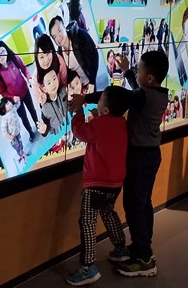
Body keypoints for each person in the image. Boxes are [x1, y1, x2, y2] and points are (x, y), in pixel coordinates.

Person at [72, 50, 169, 277]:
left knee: (136, 207)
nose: (136, 72)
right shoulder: (156, 93)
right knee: (142, 204)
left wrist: (84, 99)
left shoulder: (143, 96)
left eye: (139, 69)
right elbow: (134, 91)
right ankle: (141, 248)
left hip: (141, 158)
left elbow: (119, 96)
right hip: (149, 155)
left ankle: (144, 259)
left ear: (149, 78)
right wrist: (127, 72)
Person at [64, 86, 132, 286]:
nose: (98, 101)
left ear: (106, 110)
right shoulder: (122, 123)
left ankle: (87, 268)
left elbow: (80, 132)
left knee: (87, 222)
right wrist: (97, 117)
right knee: (108, 212)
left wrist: (78, 113)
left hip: (96, 185)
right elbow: (107, 134)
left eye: (100, 99)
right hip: (115, 183)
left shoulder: (99, 124)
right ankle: (121, 248)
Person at [0, 41, 38, 139]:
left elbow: (24, 68)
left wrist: (29, 78)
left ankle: (38, 125)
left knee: (32, 110)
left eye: (3, 51)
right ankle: (30, 133)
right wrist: (12, 97)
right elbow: (2, 92)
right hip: (16, 100)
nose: (2, 56)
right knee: (23, 117)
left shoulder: (14, 59)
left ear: (6, 50)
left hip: (25, 91)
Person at [49, 16, 98, 93]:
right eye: (55, 36)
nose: (58, 37)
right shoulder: (60, 54)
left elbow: (94, 56)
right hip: (77, 89)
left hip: (90, 82)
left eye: (59, 30)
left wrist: (92, 82)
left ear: (64, 27)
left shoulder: (80, 35)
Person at [31, 34, 68, 107]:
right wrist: (43, 99)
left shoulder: (59, 61)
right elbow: (40, 102)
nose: (46, 60)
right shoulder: (35, 79)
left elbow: (65, 83)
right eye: (41, 57)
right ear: (37, 59)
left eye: (48, 53)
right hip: (50, 106)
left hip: (63, 99)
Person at [36, 69, 67, 136]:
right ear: (44, 88)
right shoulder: (45, 107)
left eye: (54, 79)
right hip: (57, 134)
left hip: (69, 126)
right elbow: (45, 125)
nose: (53, 84)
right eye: (49, 83)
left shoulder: (64, 92)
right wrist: (44, 131)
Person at [0, 97, 26, 164]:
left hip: (17, 132)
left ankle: (22, 153)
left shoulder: (12, 109)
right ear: (4, 109)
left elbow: (17, 105)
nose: (10, 103)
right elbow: (4, 130)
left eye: (9, 102)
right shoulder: (4, 118)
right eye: (7, 103)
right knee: (17, 147)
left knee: (20, 144)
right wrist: (9, 137)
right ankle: (22, 155)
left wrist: (18, 100)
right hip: (12, 137)